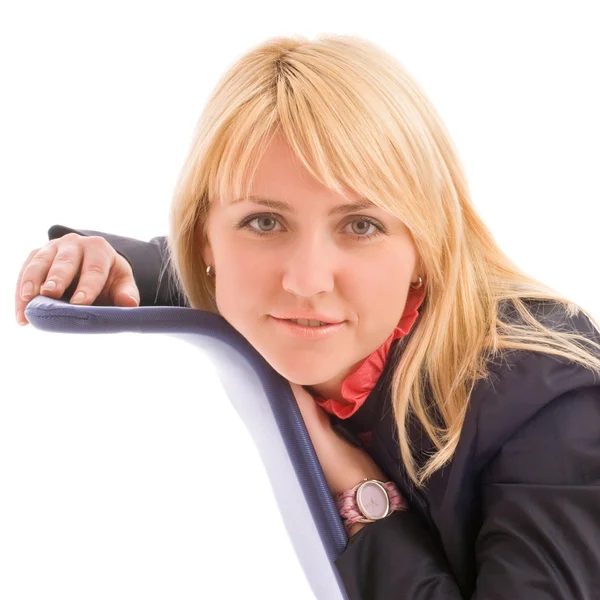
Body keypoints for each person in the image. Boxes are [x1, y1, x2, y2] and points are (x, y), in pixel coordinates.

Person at [15, 34, 600, 599]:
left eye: (362, 225)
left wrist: (362, 494)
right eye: (265, 223)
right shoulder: (229, 272)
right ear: (205, 241)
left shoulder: (548, 403)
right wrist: (93, 256)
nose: (306, 281)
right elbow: (170, 266)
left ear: (427, 248)